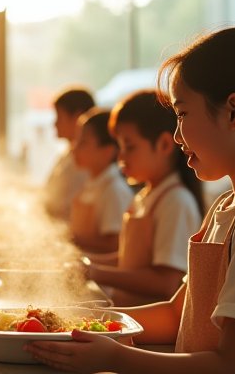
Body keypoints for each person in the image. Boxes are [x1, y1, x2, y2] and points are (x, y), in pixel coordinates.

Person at [25, 26, 235, 373]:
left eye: (182, 114)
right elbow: (178, 314)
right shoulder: (230, 206)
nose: (176, 135)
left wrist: (115, 356)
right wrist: (78, 321)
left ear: (234, 112)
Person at [86, 89, 204, 306]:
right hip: (129, 313)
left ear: (164, 145)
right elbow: (128, 260)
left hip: (151, 330)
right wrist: (83, 262)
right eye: (119, 147)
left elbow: (166, 282)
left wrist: (95, 272)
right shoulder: (146, 195)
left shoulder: (176, 201)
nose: (120, 157)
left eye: (129, 147)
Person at [69, 108, 133, 254]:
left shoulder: (113, 190)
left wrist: (70, 238)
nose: (74, 149)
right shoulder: (90, 183)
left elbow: (114, 245)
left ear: (108, 151)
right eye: (76, 141)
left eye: (83, 142)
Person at [43, 87, 95, 222]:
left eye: (59, 116)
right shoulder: (67, 155)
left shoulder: (86, 162)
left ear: (78, 117)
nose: (54, 123)